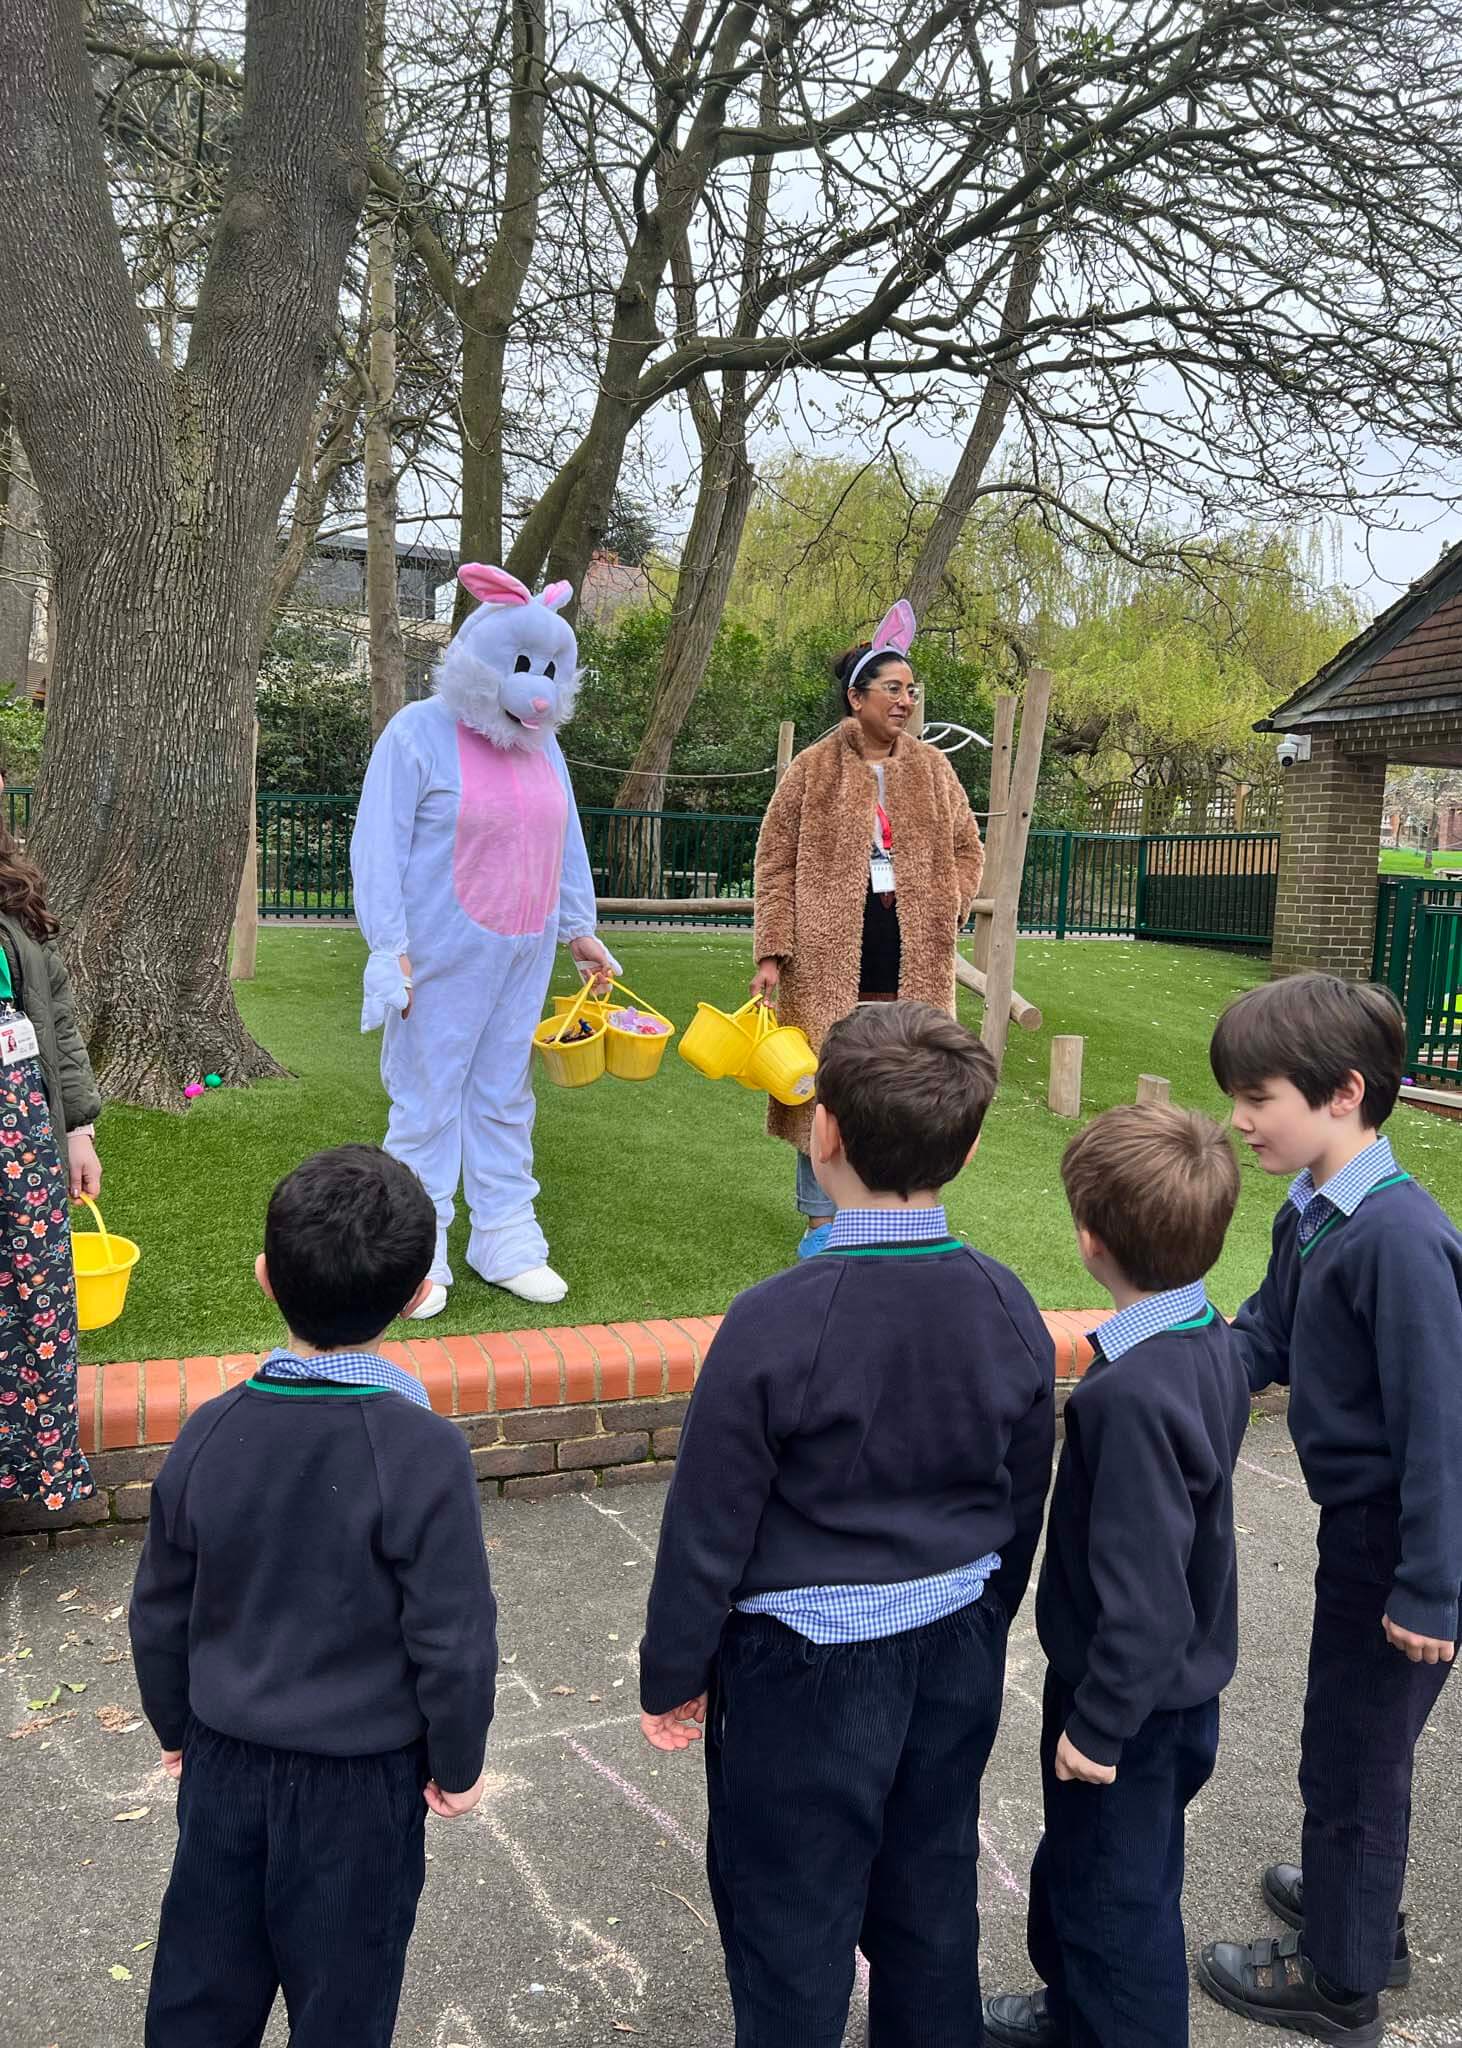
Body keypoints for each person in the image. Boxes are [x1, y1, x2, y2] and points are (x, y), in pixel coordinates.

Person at [638, 1000, 1055, 2048]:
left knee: (789, 1909)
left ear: (821, 1128)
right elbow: (1024, 1486)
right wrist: (985, 1611)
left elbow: (708, 1519)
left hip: (804, 1672)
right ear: (961, 1148)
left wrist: (672, 1666)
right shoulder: (1006, 1301)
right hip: (952, 1647)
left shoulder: (773, 1319)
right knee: (928, 1886)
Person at [130, 1144, 499, 2048]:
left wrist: (177, 1729)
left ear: (265, 1278)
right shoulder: (425, 1453)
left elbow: (158, 1609)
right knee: (345, 1997)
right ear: (416, 1296)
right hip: (359, 1786)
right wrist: (457, 1763)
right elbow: (453, 1638)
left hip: (223, 1763)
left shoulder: (208, 1430)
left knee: (200, 1993)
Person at [1197, 974, 1462, 2046]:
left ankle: (1342, 1977)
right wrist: (1164, 1361)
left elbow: (1442, 1427)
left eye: (1256, 1096)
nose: (1237, 1119)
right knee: (1345, 1737)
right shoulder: (1313, 1211)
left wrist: (1431, 1585)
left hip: (1398, 1546)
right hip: (1361, 1533)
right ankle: (1359, 1903)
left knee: (1355, 1754)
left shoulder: (1397, 1242)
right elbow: (1261, 1334)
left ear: (1342, 1091)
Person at [984, 1103, 1247, 2048]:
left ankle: (1113, 2026)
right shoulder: (1209, 1337)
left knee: (1115, 1907)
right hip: (1162, 1695)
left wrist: (1099, 1724)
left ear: (1091, 1242)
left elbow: (1147, 1587)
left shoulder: (1131, 1396)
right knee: (1093, 1872)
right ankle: (1072, 2013)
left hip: (1125, 1703)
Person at [351, 563, 618, 1316]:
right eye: (520, 666)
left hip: (522, 951)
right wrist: (387, 944)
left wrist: (578, 930)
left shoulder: (542, 748)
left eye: (547, 670)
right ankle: (413, 1253)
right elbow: (379, 844)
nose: (535, 685)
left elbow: (563, 840)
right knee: (428, 1100)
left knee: (504, 1096)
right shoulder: (418, 733)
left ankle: (504, 1236)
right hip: (439, 953)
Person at [750, 599, 984, 1257]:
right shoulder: (813, 769)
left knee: (908, 1078)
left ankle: (904, 1208)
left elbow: (970, 847)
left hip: (912, 956)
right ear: (857, 697)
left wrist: (950, 901)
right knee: (826, 1082)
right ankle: (823, 1221)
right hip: (827, 959)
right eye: (893, 688)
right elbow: (774, 858)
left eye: (912, 689)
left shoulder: (934, 770)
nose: (906, 700)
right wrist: (772, 950)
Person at [0, 814, 102, 1512]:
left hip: (23, 1128)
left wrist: (78, 1129)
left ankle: (29, 1469)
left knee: (33, 1297)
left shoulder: (12, 897)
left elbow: (55, 1017)